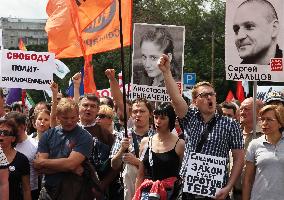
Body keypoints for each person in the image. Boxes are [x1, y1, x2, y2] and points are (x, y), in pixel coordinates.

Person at [158, 54, 244, 200]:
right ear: (195, 101)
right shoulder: (189, 117)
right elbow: (176, 98)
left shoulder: (231, 124)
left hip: (216, 192)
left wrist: (228, 187)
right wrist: (166, 72)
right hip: (188, 191)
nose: (209, 97)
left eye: (212, 94)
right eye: (204, 95)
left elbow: (239, 159)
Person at [33, 98, 93, 199]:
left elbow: (70, 164)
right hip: (48, 192)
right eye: (65, 118)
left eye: (73, 117)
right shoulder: (48, 135)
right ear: (57, 117)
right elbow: (39, 169)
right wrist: (70, 168)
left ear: (78, 116)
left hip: (75, 192)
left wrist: (43, 162)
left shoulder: (85, 136)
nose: (69, 121)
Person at [134, 103, 185, 199]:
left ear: (171, 120)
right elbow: (140, 174)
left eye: (162, 118)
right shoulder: (145, 142)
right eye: (156, 117)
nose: (158, 121)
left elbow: (182, 175)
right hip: (147, 193)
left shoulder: (180, 144)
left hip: (170, 194)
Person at [242, 105, 284, 200]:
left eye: (269, 120)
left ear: (280, 123)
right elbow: (247, 180)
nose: (264, 123)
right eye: (262, 119)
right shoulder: (254, 144)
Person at [233, 0, 282, 64]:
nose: (239, 36)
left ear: (274, 29)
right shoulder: (236, 72)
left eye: (249, 26)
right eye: (236, 29)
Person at [0, 117, 32, 200]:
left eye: (5, 133)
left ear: (13, 138)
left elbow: (26, 189)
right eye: (0, 132)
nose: (1, 135)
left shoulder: (22, 159)